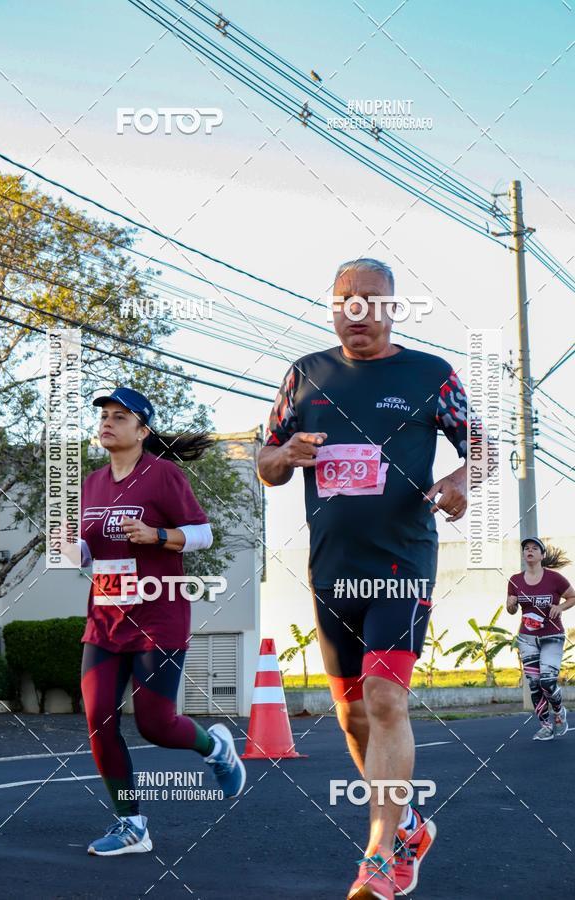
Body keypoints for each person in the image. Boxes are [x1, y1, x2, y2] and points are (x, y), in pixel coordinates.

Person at [258, 259, 482, 900]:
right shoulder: (304, 375)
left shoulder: (430, 375)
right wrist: (285, 456)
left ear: (392, 307)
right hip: (332, 570)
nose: (357, 312)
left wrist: (461, 482)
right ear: (333, 307)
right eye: (344, 301)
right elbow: (266, 463)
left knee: (386, 700)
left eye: (371, 301)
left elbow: (483, 446)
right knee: (353, 716)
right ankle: (409, 823)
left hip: (402, 563)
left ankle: (380, 857)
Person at [75, 387, 245, 856]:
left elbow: (204, 534)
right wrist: (72, 549)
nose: (107, 422)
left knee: (155, 724)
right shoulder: (91, 484)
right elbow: (89, 549)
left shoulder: (162, 475)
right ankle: (132, 825)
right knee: (98, 722)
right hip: (104, 620)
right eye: (104, 416)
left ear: (142, 431)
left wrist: (157, 535)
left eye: (120, 417)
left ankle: (214, 747)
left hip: (158, 617)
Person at [507, 537, 575, 741]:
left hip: (552, 635)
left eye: (534, 548)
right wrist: (510, 604)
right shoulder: (515, 580)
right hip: (527, 638)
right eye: (526, 548)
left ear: (542, 555)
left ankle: (558, 710)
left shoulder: (555, 579)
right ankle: (545, 725)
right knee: (534, 684)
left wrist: (560, 607)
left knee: (547, 680)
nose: (529, 550)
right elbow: (511, 610)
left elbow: (572, 597)